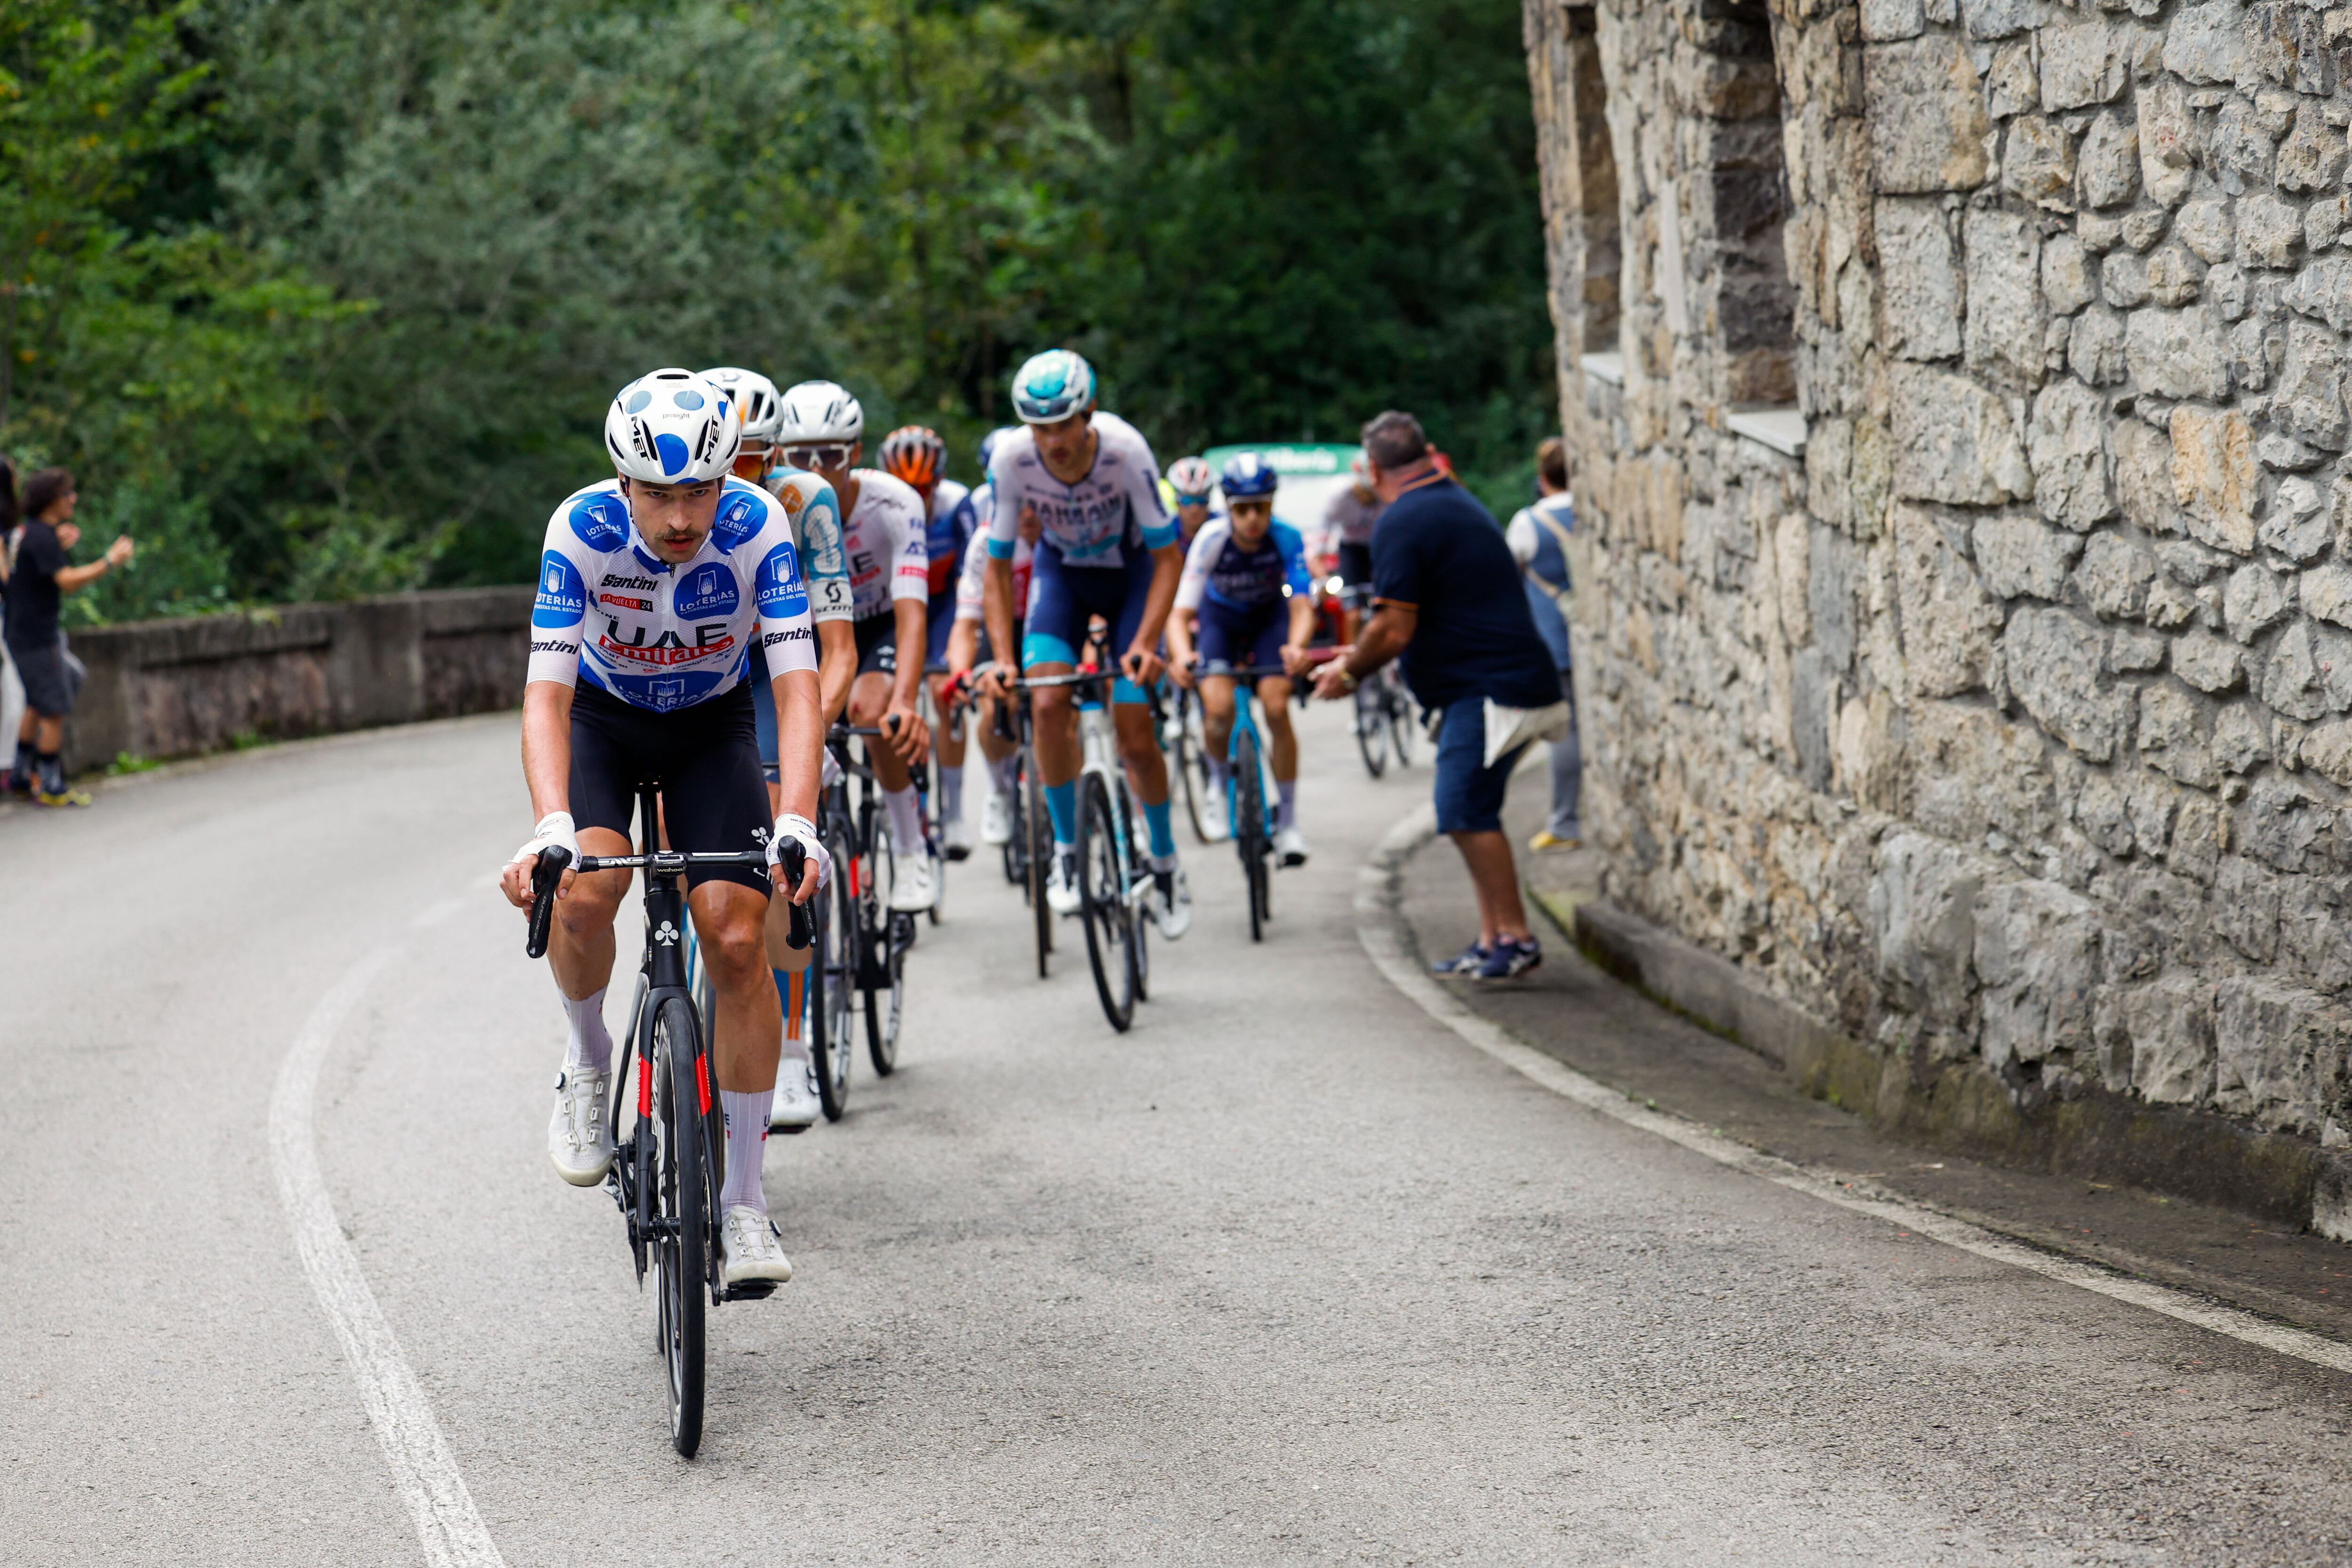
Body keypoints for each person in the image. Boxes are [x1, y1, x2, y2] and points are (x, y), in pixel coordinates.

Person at [499, 366, 826, 1287]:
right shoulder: (582, 529)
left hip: (708, 729)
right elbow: (545, 694)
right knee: (585, 892)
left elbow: (796, 685)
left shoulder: (761, 526)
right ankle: (590, 1059)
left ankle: (747, 1203)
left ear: (726, 481)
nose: (680, 517)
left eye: (698, 491)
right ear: (623, 483)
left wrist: (799, 817)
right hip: (602, 724)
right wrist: (550, 824)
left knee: (733, 935)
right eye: (658, 493)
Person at [1311, 412, 1565, 981]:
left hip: (1491, 691)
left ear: (1372, 468)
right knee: (1473, 812)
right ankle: (1491, 937)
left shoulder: (1403, 520)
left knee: (1460, 811)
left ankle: (1516, 938)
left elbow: (1392, 629)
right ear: (1428, 452)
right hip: (1495, 684)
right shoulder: (1450, 499)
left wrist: (1347, 673)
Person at [975, 350, 1192, 937]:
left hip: (1131, 577)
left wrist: (1147, 643)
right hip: (1063, 575)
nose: (1052, 441)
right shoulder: (1012, 458)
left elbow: (1169, 559)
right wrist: (1000, 657)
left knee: (1133, 727)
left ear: (1089, 413)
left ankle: (1166, 861)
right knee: (1045, 703)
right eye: (1039, 427)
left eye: (1064, 424)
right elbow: (996, 570)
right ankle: (1067, 852)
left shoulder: (1126, 450)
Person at [704, 366, 857, 1132]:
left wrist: (813, 736)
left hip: (774, 675)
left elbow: (836, 648)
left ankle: (791, 1045)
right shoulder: (669, 503)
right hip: (695, 674)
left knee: (777, 852)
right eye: (729, 462)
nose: (741, 480)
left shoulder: (806, 501)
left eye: (759, 460)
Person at [774, 380, 937, 913]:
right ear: (780, 453)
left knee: (873, 710)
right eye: (802, 455)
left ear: (857, 454)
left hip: (879, 625)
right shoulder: (778, 507)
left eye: (831, 455)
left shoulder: (895, 503)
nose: (817, 468)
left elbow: (913, 612)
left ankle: (912, 847)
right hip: (816, 631)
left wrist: (905, 701)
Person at [1167, 452, 1315, 865]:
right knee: (1217, 710)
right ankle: (1217, 785)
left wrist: (1298, 646)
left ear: (1272, 505)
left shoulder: (1286, 537)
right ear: (1229, 507)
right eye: (1242, 510)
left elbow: (1302, 606)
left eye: (1261, 508)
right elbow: (1180, 614)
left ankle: (1287, 821)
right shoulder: (1211, 539)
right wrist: (1182, 656)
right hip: (1221, 622)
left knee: (1276, 706)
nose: (1252, 519)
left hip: (1270, 620)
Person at [878, 424, 981, 861]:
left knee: (945, 691)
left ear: (938, 482)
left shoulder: (958, 504)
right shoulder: (879, 505)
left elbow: (974, 573)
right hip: (895, 603)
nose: (916, 498)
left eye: (924, 488)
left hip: (943, 606)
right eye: (907, 488)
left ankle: (954, 811)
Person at [2, 469, 133, 808]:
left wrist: (56, 544)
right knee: (54, 709)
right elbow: (68, 581)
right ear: (51, 500)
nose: (73, 499)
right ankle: (51, 785)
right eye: (67, 494)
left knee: (44, 697)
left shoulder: (25, 534)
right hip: (38, 637)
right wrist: (109, 561)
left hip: (20, 633)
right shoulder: (41, 537)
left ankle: (20, 776)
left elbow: (27, 572)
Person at [946, 428, 1037, 848]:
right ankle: (1002, 789)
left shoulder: (1063, 533)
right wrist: (961, 672)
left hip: (1044, 628)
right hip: (1000, 627)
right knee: (993, 702)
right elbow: (966, 624)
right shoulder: (987, 541)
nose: (1031, 514)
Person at [1506, 436, 1581, 852]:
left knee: (1566, 734)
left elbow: (1505, 582)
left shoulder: (1528, 523)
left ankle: (1566, 822)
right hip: (1596, 637)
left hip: (1555, 642)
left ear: (1543, 477)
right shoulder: (1589, 512)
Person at [1323, 452, 1383, 642]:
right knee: (1353, 613)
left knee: (1388, 607)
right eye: (1364, 494)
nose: (1367, 499)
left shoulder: (1385, 494)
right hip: (1351, 550)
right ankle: (1351, 660)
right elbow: (1324, 529)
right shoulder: (1340, 497)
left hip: (1378, 549)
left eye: (1371, 495)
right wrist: (1320, 562)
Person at [1166, 456, 1218, 550]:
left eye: (1201, 501)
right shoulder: (1166, 531)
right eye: (1187, 501)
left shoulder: (1221, 527)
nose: (1194, 509)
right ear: (1177, 503)